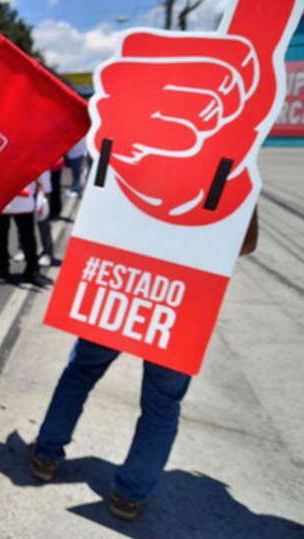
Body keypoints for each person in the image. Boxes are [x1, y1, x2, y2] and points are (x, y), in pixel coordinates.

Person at [28, 210, 260, 520]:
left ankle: (46, 456)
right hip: (182, 299)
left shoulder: (135, 157)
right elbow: (246, 243)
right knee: (162, 405)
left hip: (124, 282)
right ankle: (128, 496)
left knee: (80, 373)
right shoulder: (233, 166)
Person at [0, 178, 51, 287]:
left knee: (28, 237)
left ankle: (32, 270)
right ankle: (3, 270)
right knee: (0, 237)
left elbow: (35, 171)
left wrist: (40, 187)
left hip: (24, 201)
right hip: (2, 200)